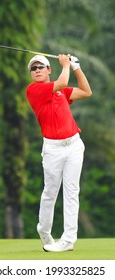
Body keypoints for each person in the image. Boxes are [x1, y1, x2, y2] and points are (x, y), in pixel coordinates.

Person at [26, 53, 92, 252]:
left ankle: (68, 240)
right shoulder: (34, 90)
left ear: (48, 70)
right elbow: (62, 81)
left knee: (72, 192)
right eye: (33, 68)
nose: (37, 70)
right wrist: (66, 64)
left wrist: (76, 67)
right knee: (50, 192)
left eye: (41, 67)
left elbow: (86, 92)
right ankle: (44, 231)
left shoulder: (60, 92)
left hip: (74, 145)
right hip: (53, 149)